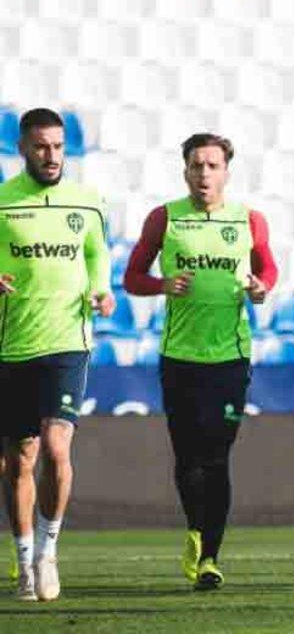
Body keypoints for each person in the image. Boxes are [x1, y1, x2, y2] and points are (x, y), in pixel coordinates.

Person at [123, 133, 277, 590]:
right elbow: (132, 277)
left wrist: (261, 288)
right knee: (188, 455)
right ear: (185, 170)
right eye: (196, 165)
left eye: (212, 166)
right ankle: (195, 529)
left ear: (226, 171)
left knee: (217, 456)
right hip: (180, 357)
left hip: (230, 356)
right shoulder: (165, 218)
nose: (204, 174)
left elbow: (267, 268)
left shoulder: (248, 219)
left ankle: (210, 556)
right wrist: (162, 285)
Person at [0, 108, 114, 601]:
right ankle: (23, 560)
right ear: (24, 148)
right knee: (19, 459)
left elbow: (96, 252)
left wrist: (103, 289)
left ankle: (48, 554)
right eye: (42, 147)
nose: (51, 156)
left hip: (68, 340)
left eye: (59, 146)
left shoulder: (86, 203)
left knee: (55, 446)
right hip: (12, 345)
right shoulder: (3, 202)